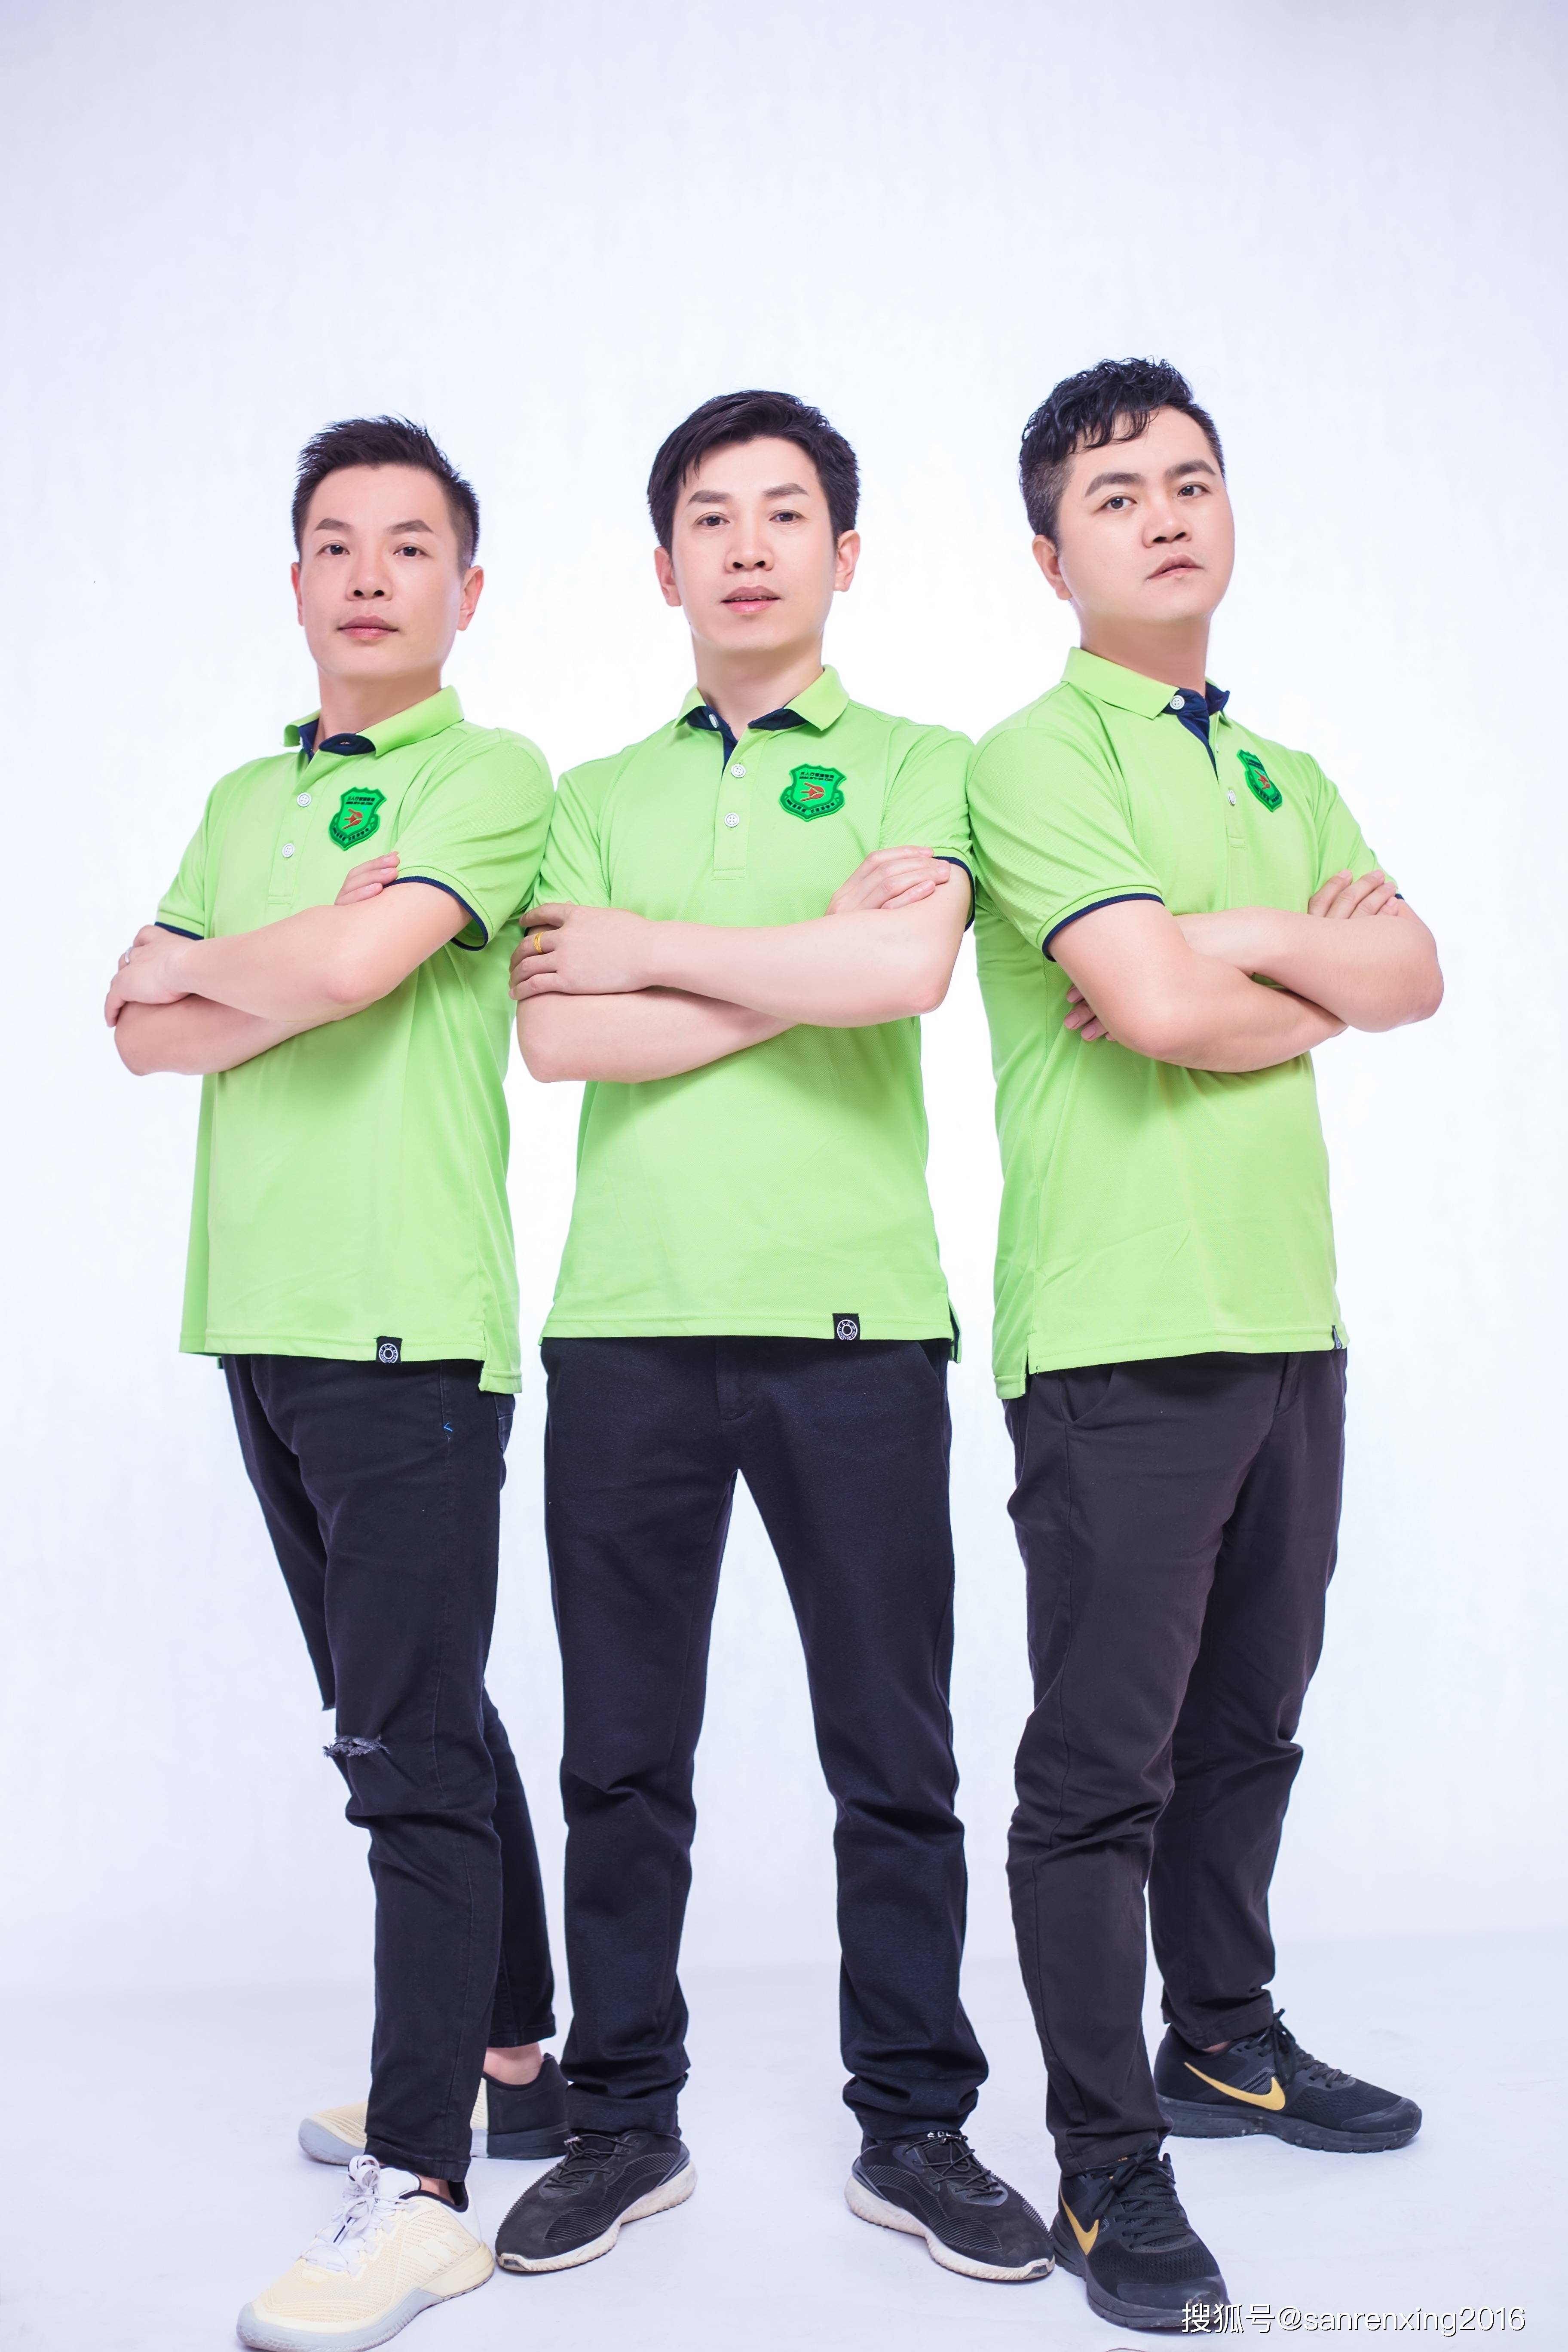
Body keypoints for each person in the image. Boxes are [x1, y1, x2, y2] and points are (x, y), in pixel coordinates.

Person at [491, 389, 1053, 2287]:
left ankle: (916, 2128)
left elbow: (904, 971)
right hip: (627, 1325)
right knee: (620, 1760)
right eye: (711, 519)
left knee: (894, 1756)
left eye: (785, 512)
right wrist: (803, 966)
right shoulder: (588, 794)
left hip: (857, 1322)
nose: (747, 544)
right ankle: (622, 2121)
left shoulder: (923, 763)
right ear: (664, 568)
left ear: (845, 553)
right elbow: (558, 1034)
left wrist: (663, 950)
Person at [965, 358, 1441, 2335]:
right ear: (1050, 556)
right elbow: (1152, 1012)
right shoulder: (1032, 761)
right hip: (1120, 1331)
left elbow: (1412, 973)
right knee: (1103, 1772)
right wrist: (1290, 965)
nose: (1164, 515)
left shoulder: (1283, 770)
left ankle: (1224, 2041)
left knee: (1250, 1726)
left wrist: (1223, 945)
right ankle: (1103, 2166)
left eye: (1190, 481)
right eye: (1115, 494)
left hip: (1286, 1319)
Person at [106, 417, 564, 2351]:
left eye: (409, 544)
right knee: (419, 1712)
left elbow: (351, 980)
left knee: (403, 1755)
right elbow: (135, 1033)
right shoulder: (240, 794)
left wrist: (227, 969)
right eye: (335, 544)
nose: (370, 574)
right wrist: (268, 966)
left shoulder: (491, 772)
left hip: (406, 1331)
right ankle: (513, 2062)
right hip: (263, 1321)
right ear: (295, 580)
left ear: (467, 585)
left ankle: (426, 2187)